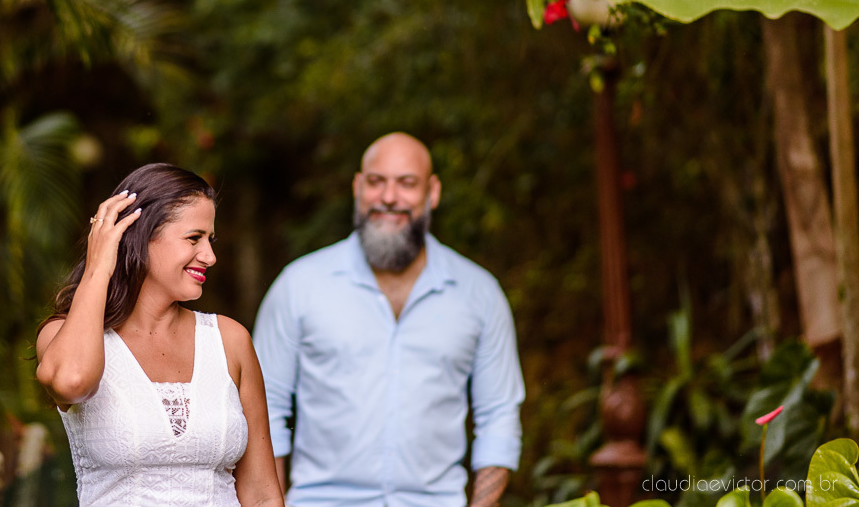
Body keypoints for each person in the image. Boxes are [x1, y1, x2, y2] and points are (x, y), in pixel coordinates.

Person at [253, 132, 525, 507]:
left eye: (406, 184)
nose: (389, 197)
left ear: (433, 193)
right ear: (357, 187)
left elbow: (498, 415)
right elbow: (264, 410)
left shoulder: (479, 293)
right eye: (376, 182)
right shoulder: (298, 286)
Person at [36, 163, 285, 507]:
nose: (210, 256)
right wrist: (99, 265)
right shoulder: (64, 336)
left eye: (209, 240)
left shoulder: (230, 340)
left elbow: (262, 495)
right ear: (140, 236)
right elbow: (73, 381)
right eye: (194, 238)